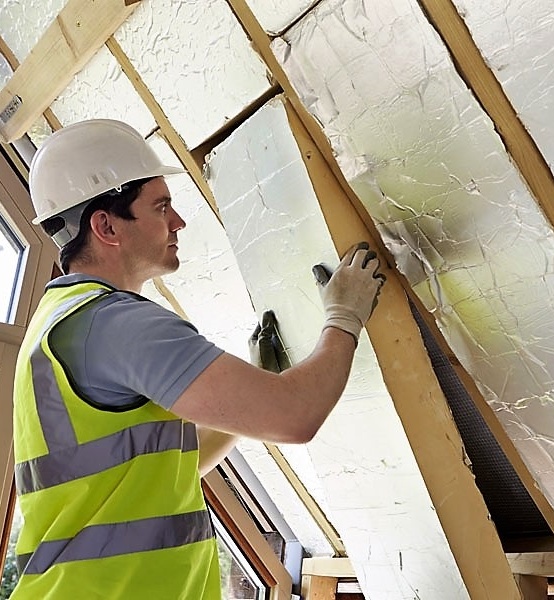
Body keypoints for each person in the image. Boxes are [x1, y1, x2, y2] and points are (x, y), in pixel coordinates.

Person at [11, 119, 385, 599]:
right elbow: (296, 417)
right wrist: (344, 317)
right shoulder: (117, 326)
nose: (178, 221)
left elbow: (164, 476)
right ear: (105, 225)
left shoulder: (55, 324)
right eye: (160, 206)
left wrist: (245, 401)